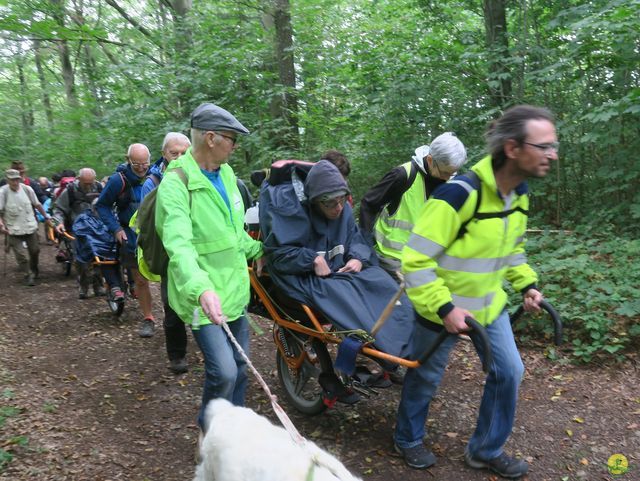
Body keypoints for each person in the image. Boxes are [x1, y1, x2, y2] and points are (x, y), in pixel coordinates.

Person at [394, 105, 557, 479]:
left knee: (509, 372)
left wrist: (526, 285)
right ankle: (407, 437)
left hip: (489, 307)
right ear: (513, 148)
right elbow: (415, 260)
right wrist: (445, 307)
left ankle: (485, 450)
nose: (553, 154)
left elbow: (511, 250)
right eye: (544, 146)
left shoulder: (519, 193)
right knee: (425, 377)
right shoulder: (458, 194)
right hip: (442, 309)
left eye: (553, 146)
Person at [155, 103, 264, 431]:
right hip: (202, 297)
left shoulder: (228, 175)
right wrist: (201, 288)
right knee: (224, 372)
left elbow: (235, 235)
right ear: (212, 138)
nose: (235, 146)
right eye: (232, 139)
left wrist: (262, 250)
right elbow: (180, 246)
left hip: (234, 292)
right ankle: (209, 430)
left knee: (241, 367)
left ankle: (236, 430)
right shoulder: (175, 184)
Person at [259, 160, 415, 377]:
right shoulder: (292, 212)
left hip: (340, 271)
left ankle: (414, 339)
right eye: (331, 203)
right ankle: (385, 351)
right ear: (315, 202)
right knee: (348, 300)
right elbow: (278, 254)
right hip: (304, 276)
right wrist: (311, 259)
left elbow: (357, 238)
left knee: (380, 281)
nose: (338, 208)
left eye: (342, 200)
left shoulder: (343, 209)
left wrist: (358, 258)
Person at [359, 132, 467, 279]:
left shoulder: (449, 183)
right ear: (430, 160)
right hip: (390, 261)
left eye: (452, 173)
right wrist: (364, 248)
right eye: (445, 173)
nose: (448, 178)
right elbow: (369, 204)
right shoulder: (403, 175)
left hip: (424, 263)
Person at [140, 132, 191, 374]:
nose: (180, 157)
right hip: (169, 253)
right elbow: (147, 221)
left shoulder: (199, 175)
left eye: (184, 152)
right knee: (172, 305)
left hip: (199, 250)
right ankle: (177, 355)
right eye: (174, 153)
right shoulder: (153, 183)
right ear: (164, 155)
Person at [96, 144, 155, 337]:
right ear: (128, 160)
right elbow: (102, 206)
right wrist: (116, 229)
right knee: (140, 279)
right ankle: (148, 318)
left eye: (144, 163)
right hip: (130, 236)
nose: (140, 167)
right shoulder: (117, 181)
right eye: (136, 163)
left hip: (156, 234)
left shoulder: (156, 177)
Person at [53, 168, 104, 298]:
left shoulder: (99, 187)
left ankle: (99, 286)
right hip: (77, 230)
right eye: (85, 183)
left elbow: (108, 206)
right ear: (78, 179)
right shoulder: (69, 191)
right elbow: (59, 210)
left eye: (90, 182)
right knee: (82, 260)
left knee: (100, 258)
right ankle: (84, 286)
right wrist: (59, 222)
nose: (88, 185)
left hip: (97, 229)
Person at [0, 169, 53, 285]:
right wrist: (1, 224)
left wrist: (46, 217)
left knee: (35, 251)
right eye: (12, 180)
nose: (15, 182)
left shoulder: (27, 189)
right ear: (7, 180)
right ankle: (28, 274)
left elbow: (37, 204)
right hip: (13, 228)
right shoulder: (3, 192)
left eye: (16, 179)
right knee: (21, 255)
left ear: (20, 179)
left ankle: (34, 269)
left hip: (30, 225)